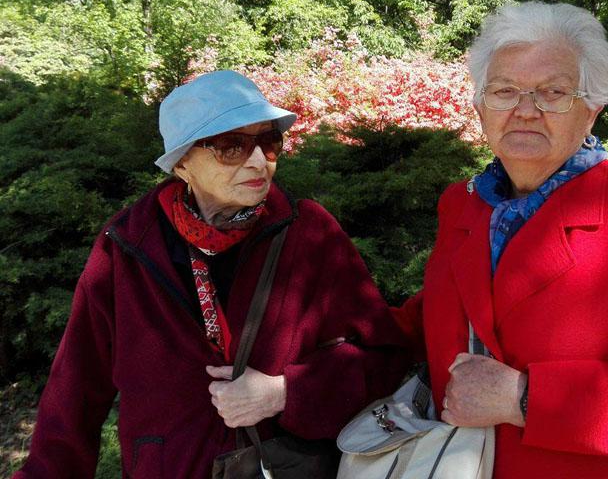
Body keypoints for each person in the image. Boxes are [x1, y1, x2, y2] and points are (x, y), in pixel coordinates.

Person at [15, 70, 407, 478]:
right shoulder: (129, 245)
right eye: (231, 146)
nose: (259, 161)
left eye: (268, 141)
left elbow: (386, 358)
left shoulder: (308, 233)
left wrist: (286, 393)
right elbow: (76, 383)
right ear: (183, 163)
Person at [393, 1, 608, 478]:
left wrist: (522, 398)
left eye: (553, 92)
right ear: (480, 106)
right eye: (504, 91)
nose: (525, 111)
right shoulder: (462, 204)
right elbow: (430, 319)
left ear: (592, 111)